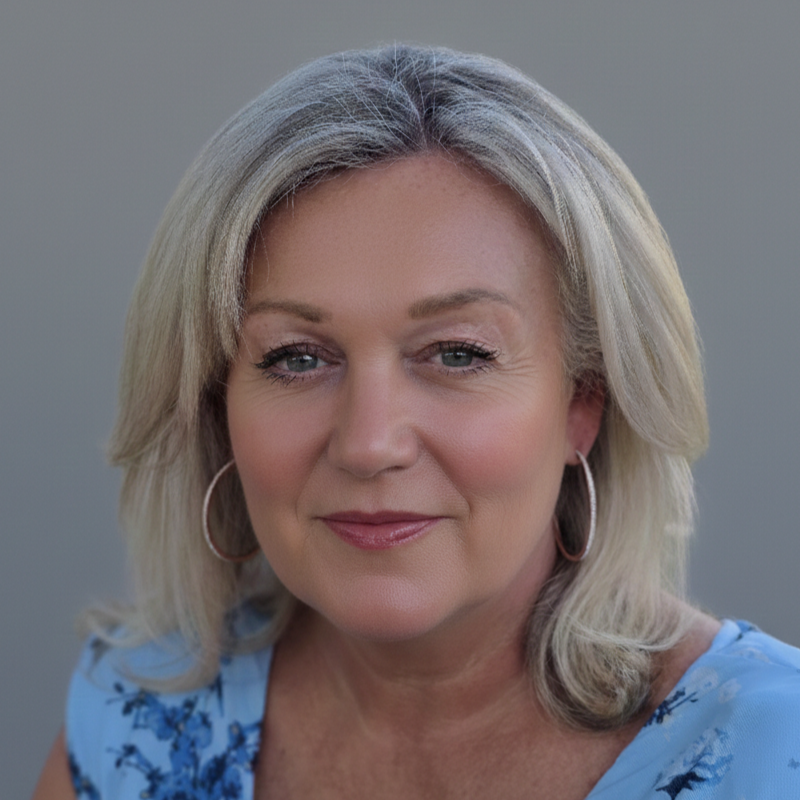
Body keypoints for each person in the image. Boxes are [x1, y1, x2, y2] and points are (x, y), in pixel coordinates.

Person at [33, 44, 800, 800]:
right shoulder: (135, 726)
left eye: (457, 354)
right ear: (215, 404)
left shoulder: (774, 755)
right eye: (297, 358)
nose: (369, 444)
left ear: (583, 403)